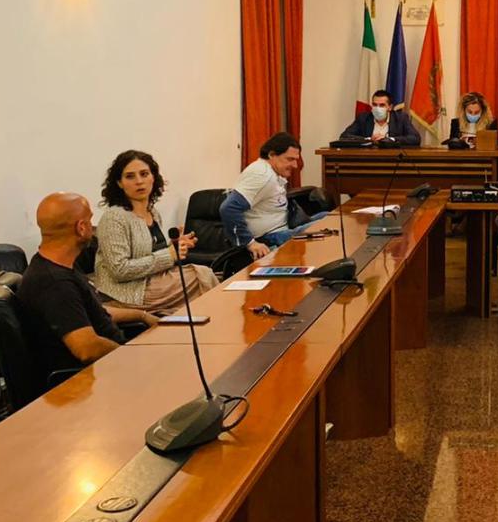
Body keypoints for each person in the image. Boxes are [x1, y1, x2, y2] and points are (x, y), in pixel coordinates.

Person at [18, 192, 157, 384]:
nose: (93, 227)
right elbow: (87, 348)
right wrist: (130, 357)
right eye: (90, 221)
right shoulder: (54, 284)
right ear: (81, 228)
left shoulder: (59, 266)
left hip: (114, 366)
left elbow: (88, 310)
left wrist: (142, 315)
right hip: (98, 380)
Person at [94, 150, 218, 314]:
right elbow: (119, 270)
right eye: (130, 176)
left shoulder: (152, 212)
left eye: (144, 174)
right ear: (119, 183)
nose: (139, 181)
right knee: (201, 277)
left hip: (154, 279)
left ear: (153, 177)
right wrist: (170, 254)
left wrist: (176, 245)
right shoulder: (114, 218)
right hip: (128, 292)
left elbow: (151, 252)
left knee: (202, 273)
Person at [220, 131, 311, 259]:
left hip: (282, 229)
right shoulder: (262, 175)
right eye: (290, 159)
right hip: (270, 238)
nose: (295, 166)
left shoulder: (271, 171)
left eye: (296, 160)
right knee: (327, 227)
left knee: (328, 218)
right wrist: (251, 244)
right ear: (272, 155)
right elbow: (228, 208)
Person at [340, 89, 421, 145]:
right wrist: (368, 139)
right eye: (375, 105)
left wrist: (391, 139)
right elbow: (344, 136)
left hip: (393, 159)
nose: (377, 108)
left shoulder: (401, 118)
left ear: (390, 107)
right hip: (368, 158)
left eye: (382, 105)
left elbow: (415, 138)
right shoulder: (364, 118)